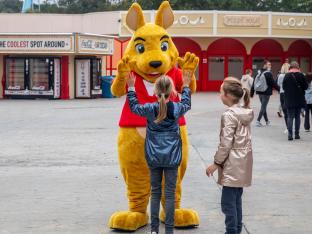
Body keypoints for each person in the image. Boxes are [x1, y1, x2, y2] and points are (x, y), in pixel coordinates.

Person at [126, 71, 193, 234]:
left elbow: (134, 106)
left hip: (153, 156)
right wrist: (186, 86)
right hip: (172, 157)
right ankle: (169, 230)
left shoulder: (150, 109)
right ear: (171, 92)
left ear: (155, 92)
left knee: (155, 193)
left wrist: (131, 88)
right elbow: (187, 103)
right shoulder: (177, 109)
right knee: (169, 194)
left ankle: (154, 230)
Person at [206, 77, 254, 234]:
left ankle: (231, 231)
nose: (219, 94)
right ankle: (237, 230)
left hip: (232, 165)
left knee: (227, 204)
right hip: (243, 163)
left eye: (220, 91)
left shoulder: (229, 115)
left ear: (227, 95)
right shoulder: (244, 112)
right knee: (236, 200)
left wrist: (215, 164)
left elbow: (225, 144)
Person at [283, 61, 308, 140]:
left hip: (289, 99)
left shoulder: (286, 76)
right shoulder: (301, 75)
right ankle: (297, 134)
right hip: (299, 99)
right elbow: (306, 87)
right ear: (298, 67)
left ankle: (290, 135)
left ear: (290, 67)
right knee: (297, 117)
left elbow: (283, 87)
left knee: (290, 116)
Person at [251, 60, 280, 127]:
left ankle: (267, 121)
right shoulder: (268, 73)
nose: (270, 66)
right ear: (265, 65)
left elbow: (254, 82)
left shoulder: (258, 72)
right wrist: (280, 89)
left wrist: (252, 92)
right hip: (266, 92)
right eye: (269, 64)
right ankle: (258, 121)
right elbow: (273, 84)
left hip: (259, 92)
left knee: (263, 107)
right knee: (263, 107)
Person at [277, 62, 290, 133]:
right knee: (289, 110)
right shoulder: (290, 75)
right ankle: (290, 125)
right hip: (289, 93)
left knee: (285, 111)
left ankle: (288, 127)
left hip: (282, 93)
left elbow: (278, 84)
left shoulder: (281, 76)